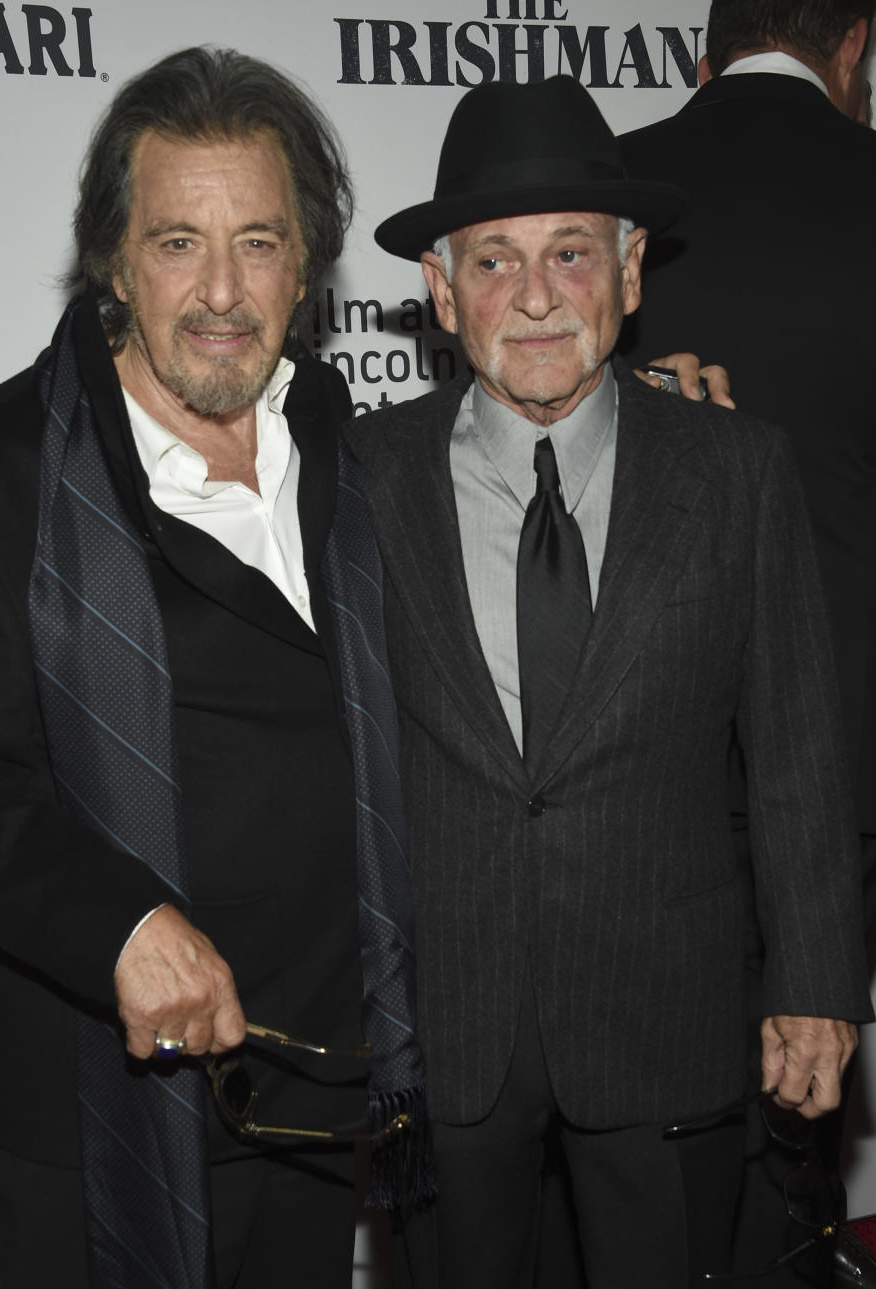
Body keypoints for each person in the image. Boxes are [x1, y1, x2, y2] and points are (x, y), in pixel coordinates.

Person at [345, 74, 873, 1289]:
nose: (534, 296)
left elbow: (797, 742)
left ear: (633, 274)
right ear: (438, 288)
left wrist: (813, 977)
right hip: (445, 1029)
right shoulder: (357, 476)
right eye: (492, 261)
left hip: (666, 1012)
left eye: (572, 253)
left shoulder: (738, 471)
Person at [0, 46, 428, 1289]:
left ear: (307, 264)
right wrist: (120, 921)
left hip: (317, 1097)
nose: (221, 292)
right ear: (113, 258)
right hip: (98, 1117)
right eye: (177, 242)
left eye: (257, 242)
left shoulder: (355, 455)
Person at [619, 5, 876, 1281]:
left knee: (668, 1147)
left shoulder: (592, 208)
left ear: (702, 56)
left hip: (643, 771)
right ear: (856, 50)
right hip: (857, 771)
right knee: (805, 1105)